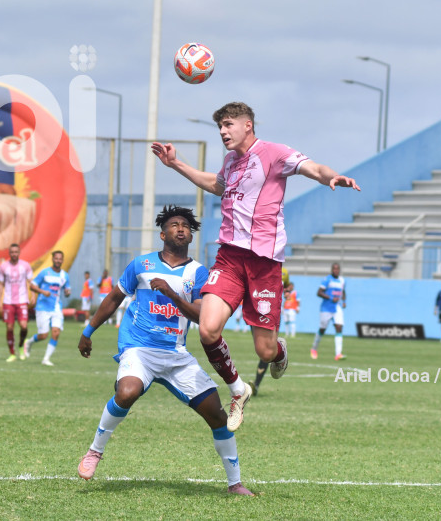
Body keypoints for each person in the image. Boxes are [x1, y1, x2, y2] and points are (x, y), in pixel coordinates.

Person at [152, 102, 360, 430]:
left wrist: (333, 177)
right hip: (230, 258)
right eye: (220, 126)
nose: (223, 131)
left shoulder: (274, 153)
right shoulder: (230, 162)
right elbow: (217, 185)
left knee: (265, 351)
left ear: (247, 125)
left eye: (228, 124)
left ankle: (278, 352)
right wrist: (176, 163)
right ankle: (238, 389)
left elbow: (314, 168)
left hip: (264, 264)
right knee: (207, 329)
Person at [76, 205, 253, 496]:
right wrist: (88, 331)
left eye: (186, 226)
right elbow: (114, 298)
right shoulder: (141, 265)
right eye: (174, 225)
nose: (181, 229)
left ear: (191, 236)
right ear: (162, 234)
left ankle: (235, 484)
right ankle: (95, 451)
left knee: (218, 417)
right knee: (127, 392)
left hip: (176, 355)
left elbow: (200, 316)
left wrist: (172, 294)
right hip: (139, 349)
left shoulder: (198, 273)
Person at [25, 250, 72, 366]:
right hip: (43, 307)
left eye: (60, 259)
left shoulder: (65, 275)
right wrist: (43, 292)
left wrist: (67, 292)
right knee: (43, 335)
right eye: (56, 258)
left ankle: (46, 359)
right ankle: (29, 342)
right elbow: (32, 286)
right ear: (52, 259)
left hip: (56, 307)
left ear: (62, 260)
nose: (58, 261)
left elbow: (67, 290)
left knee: (56, 332)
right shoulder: (45, 272)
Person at [0, 243, 34, 362]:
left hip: (22, 300)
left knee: (24, 326)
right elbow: (0, 284)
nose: (14, 254)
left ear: (19, 252)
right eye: (12, 252)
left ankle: (21, 345)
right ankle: (12, 353)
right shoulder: (3, 267)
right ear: (9, 253)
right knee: (9, 328)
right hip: (8, 301)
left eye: (16, 252)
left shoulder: (25, 265)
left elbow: (31, 281)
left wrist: (33, 295)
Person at [311, 263, 346, 361]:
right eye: (334, 269)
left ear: (339, 270)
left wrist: (344, 301)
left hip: (337, 307)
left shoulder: (342, 280)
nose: (336, 270)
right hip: (326, 308)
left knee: (339, 327)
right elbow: (319, 293)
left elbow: (343, 292)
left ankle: (338, 354)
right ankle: (314, 348)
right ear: (332, 270)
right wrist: (330, 298)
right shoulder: (327, 279)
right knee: (322, 329)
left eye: (337, 269)